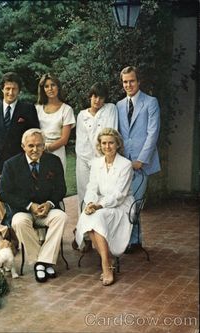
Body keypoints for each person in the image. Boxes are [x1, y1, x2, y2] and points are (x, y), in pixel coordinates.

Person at [0, 128, 68, 283]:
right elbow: (3, 193)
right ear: (23, 146)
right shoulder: (11, 165)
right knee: (19, 222)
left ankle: (43, 261)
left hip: (47, 209)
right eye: (31, 146)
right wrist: (30, 205)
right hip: (24, 210)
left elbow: (61, 189)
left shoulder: (53, 161)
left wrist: (49, 204)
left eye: (39, 145)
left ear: (44, 146)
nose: (35, 149)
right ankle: (40, 262)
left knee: (61, 217)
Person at [75, 128, 134, 286]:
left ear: (118, 144)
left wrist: (99, 205)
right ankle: (107, 260)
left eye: (111, 143)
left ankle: (105, 265)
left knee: (96, 217)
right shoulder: (96, 163)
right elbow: (92, 187)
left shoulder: (125, 164)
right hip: (100, 204)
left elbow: (119, 194)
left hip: (121, 206)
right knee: (89, 216)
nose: (107, 146)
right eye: (104, 143)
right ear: (99, 146)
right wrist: (89, 203)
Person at [116, 66, 161, 253]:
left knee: (135, 203)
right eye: (125, 82)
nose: (128, 85)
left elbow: (153, 133)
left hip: (141, 164)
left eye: (132, 81)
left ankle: (133, 240)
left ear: (138, 81)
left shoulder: (150, 102)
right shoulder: (118, 105)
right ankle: (132, 240)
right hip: (123, 163)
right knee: (125, 201)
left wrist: (141, 160)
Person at [0, 72, 40, 222]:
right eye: (7, 88)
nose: (10, 92)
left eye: (14, 89)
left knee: (19, 203)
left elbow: (35, 136)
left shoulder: (28, 109)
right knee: (0, 205)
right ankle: (6, 236)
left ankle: (20, 234)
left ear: (19, 90)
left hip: (19, 166)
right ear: (2, 89)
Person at [75, 82, 118, 215]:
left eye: (101, 97)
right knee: (84, 192)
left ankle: (100, 227)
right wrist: (90, 161)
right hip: (84, 159)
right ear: (90, 97)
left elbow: (111, 132)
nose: (97, 100)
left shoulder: (110, 109)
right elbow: (82, 141)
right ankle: (84, 227)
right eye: (94, 97)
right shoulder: (82, 115)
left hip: (104, 158)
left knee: (103, 192)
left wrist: (101, 159)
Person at [35, 73, 75, 174]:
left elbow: (64, 139)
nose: (50, 89)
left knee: (56, 184)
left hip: (57, 151)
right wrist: (39, 149)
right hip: (38, 150)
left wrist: (47, 148)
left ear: (58, 87)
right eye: (46, 86)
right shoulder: (37, 108)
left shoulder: (66, 109)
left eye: (53, 85)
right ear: (43, 89)